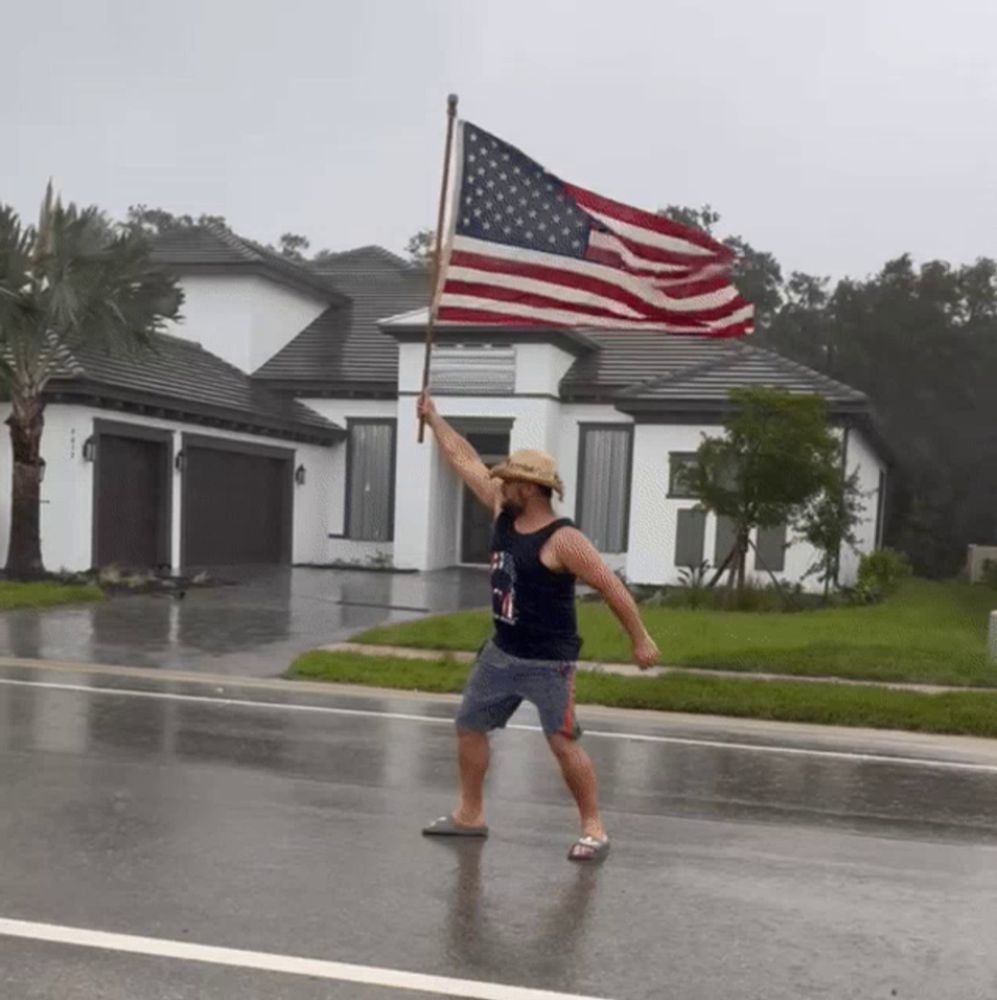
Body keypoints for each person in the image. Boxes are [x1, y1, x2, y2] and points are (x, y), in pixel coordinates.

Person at [418, 390, 660, 861]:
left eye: (508, 480)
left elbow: (611, 587)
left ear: (527, 489)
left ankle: (594, 828)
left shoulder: (564, 540)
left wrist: (641, 638)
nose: (499, 484)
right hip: (501, 653)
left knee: (562, 741)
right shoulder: (500, 509)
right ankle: (470, 815)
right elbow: (463, 458)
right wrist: (434, 419)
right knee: (469, 724)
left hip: (550, 663)